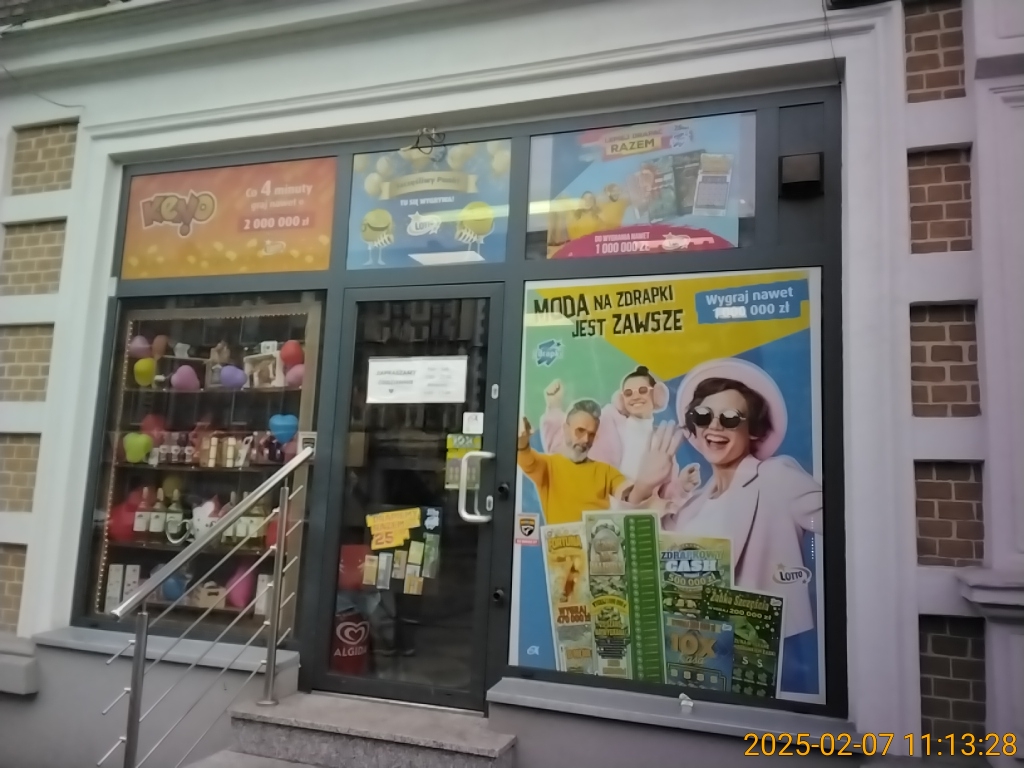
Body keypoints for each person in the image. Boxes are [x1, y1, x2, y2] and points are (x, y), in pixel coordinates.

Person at [661, 358, 822, 642]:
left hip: (768, 652)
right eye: (703, 416)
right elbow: (636, 554)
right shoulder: (690, 508)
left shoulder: (775, 477)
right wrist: (645, 485)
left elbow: (852, 526)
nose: (714, 426)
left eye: (730, 418)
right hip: (699, 649)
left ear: (753, 430)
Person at [540, 367, 700, 504]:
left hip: (634, 517)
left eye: (642, 390)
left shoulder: (662, 443)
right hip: (594, 510)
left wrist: (682, 486)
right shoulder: (606, 422)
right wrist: (554, 406)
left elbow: (664, 495)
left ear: (657, 395)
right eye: (628, 393)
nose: (635, 397)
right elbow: (564, 449)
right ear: (621, 399)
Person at [517, 398, 682, 525]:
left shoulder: (605, 471)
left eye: (591, 434)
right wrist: (522, 443)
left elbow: (627, 496)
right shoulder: (548, 465)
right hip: (563, 553)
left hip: (601, 549)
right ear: (566, 429)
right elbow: (527, 461)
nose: (585, 440)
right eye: (580, 431)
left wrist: (643, 484)